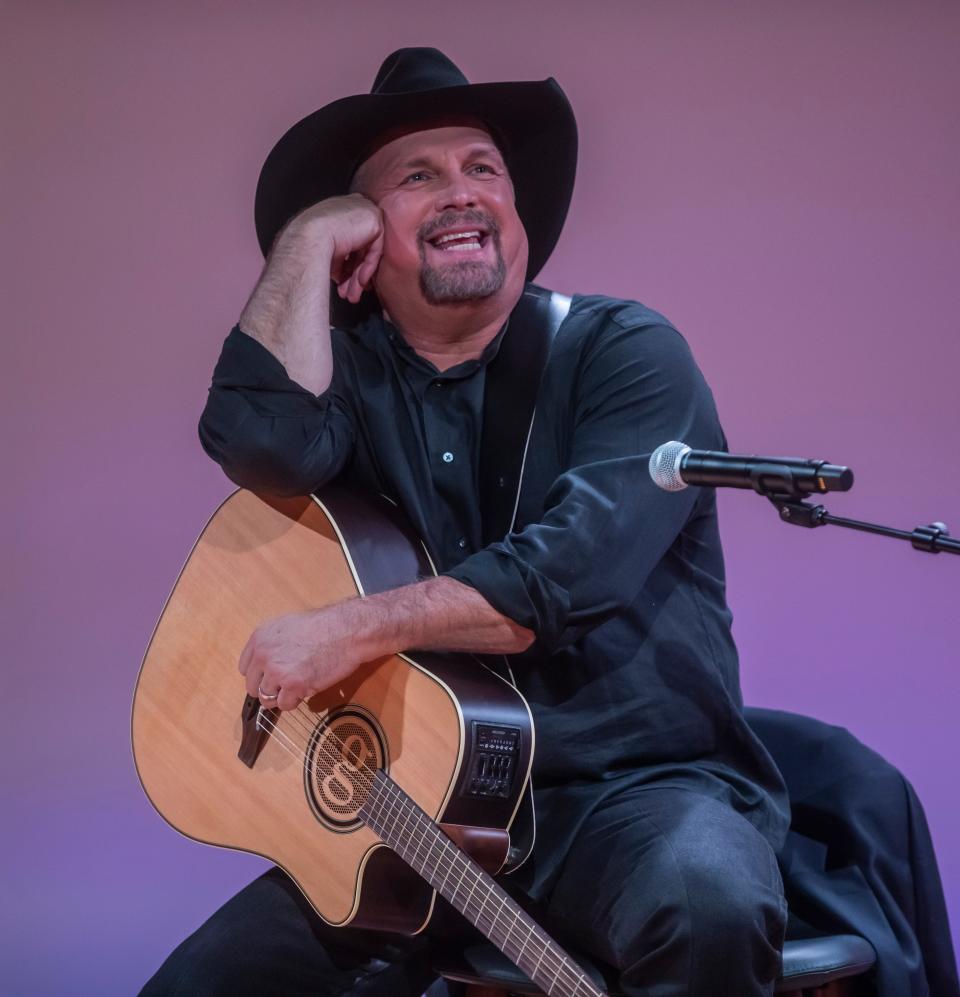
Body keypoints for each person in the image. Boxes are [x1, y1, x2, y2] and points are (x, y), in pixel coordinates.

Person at [142, 48, 791, 997]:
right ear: (368, 234)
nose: (460, 192)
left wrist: (348, 629)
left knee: (706, 896)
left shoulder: (623, 353)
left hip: (626, 797)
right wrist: (308, 236)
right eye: (417, 176)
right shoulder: (352, 382)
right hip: (409, 815)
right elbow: (256, 441)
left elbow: (562, 576)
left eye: (482, 169)